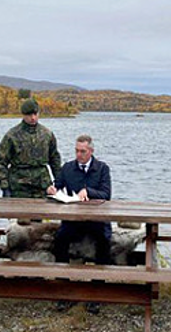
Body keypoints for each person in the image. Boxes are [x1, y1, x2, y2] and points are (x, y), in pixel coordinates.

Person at [46, 135, 112, 314]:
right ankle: (64, 289)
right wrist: (51, 190)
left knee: (104, 241)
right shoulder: (67, 168)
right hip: (73, 219)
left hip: (96, 219)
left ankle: (96, 291)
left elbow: (106, 194)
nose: (79, 154)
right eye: (76, 151)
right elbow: (57, 187)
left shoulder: (102, 168)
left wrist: (88, 191)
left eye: (82, 151)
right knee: (60, 239)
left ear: (91, 151)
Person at [0, 98, 62, 199]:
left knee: (44, 214)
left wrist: (59, 182)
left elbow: (54, 159)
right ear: (23, 115)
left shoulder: (47, 134)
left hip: (42, 186)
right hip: (18, 187)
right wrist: (5, 187)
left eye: (35, 114)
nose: (33, 118)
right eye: (29, 115)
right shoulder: (12, 136)